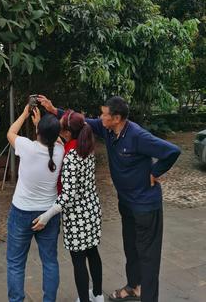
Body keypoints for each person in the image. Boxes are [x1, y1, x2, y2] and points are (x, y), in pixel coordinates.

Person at [37, 95, 181, 302]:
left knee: (148, 257)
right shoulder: (108, 129)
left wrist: (155, 172)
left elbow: (172, 151)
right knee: (130, 248)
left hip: (146, 206)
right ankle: (133, 287)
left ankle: (149, 297)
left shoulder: (138, 136)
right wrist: (53, 109)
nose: (100, 117)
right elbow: (81, 121)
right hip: (127, 203)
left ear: (117, 117)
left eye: (104, 114)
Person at [32, 109, 104, 302]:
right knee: (93, 252)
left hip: (77, 215)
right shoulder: (85, 146)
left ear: (66, 133)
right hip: (91, 208)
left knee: (78, 259)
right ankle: (97, 294)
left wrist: (46, 216)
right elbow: (60, 143)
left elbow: (68, 196)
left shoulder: (71, 157)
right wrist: (40, 125)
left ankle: (84, 299)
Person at [6, 105, 64, 302]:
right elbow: (53, 139)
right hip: (49, 213)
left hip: (21, 211)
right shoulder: (61, 150)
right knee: (50, 262)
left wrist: (24, 113)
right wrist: (42, 125)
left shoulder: (27, 147)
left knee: (15, 263)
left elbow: (11, 132)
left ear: (38, 132)